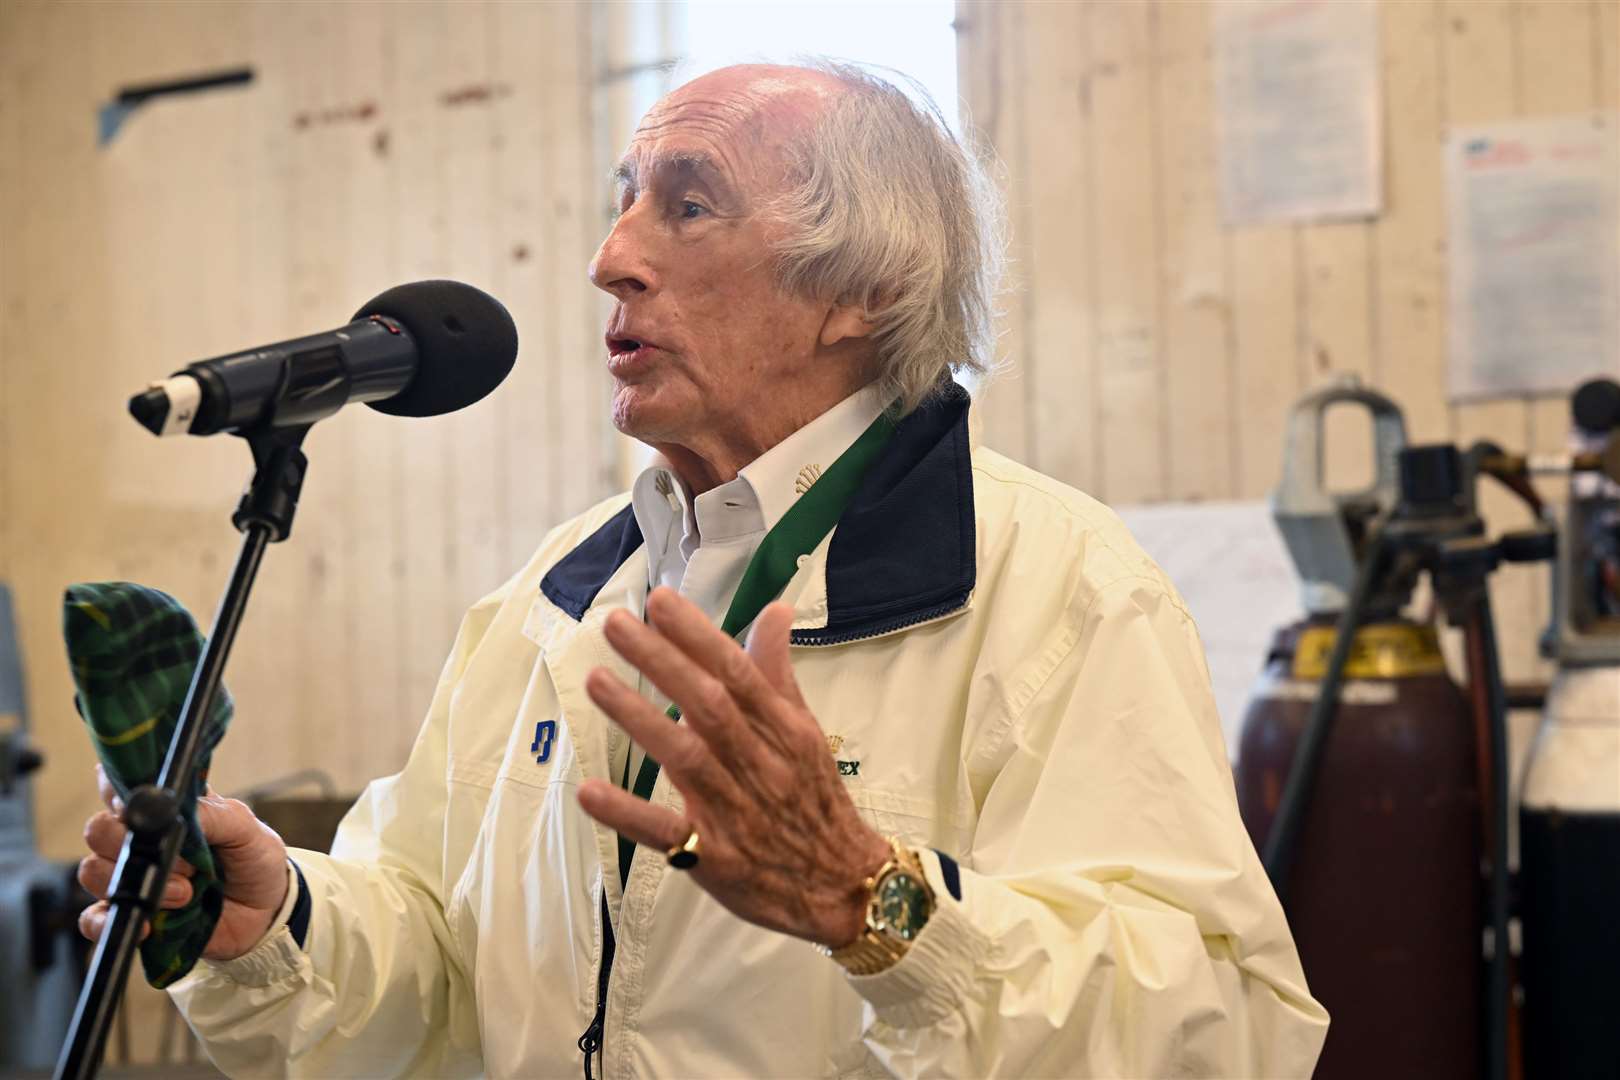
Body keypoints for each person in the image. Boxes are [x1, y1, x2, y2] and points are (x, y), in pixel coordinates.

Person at [77, 60, 1328, 1077]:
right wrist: (280, 924)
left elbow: (1224, 1031)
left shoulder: (1055, 585)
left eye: (685, 203)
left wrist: (878, 906)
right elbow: (438, 951)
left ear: (863, 289)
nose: (609, 257)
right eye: (623, 199)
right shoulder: (559, 590)